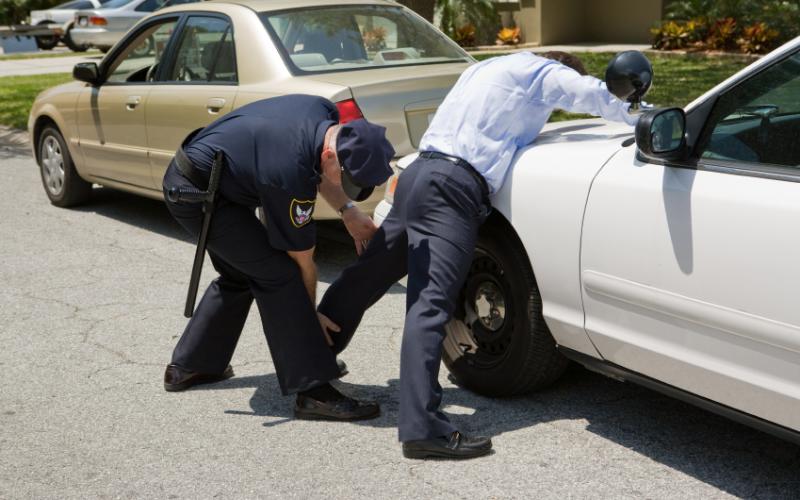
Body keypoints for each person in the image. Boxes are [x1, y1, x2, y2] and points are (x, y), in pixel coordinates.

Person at [317, 51, 641, 458]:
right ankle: (422, 429)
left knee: (370, 273)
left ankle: (313, 358)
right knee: (430, 304)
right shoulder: (540, 70)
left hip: (419, 173)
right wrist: (645, 118)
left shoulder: (483, 69)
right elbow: (592, 95)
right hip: (451, 187)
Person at [161, 94, 394, 421]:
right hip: (195, 194)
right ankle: (313, 390)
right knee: (280, 275)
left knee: (242, 272)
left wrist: (348, 211)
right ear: (332, 152)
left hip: (218, 180)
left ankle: (191, 366)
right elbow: (301, 259)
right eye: (347, 178)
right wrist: (309, 321)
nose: (346, 185)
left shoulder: (322, 111)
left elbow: (323, 170)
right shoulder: (289, 170)